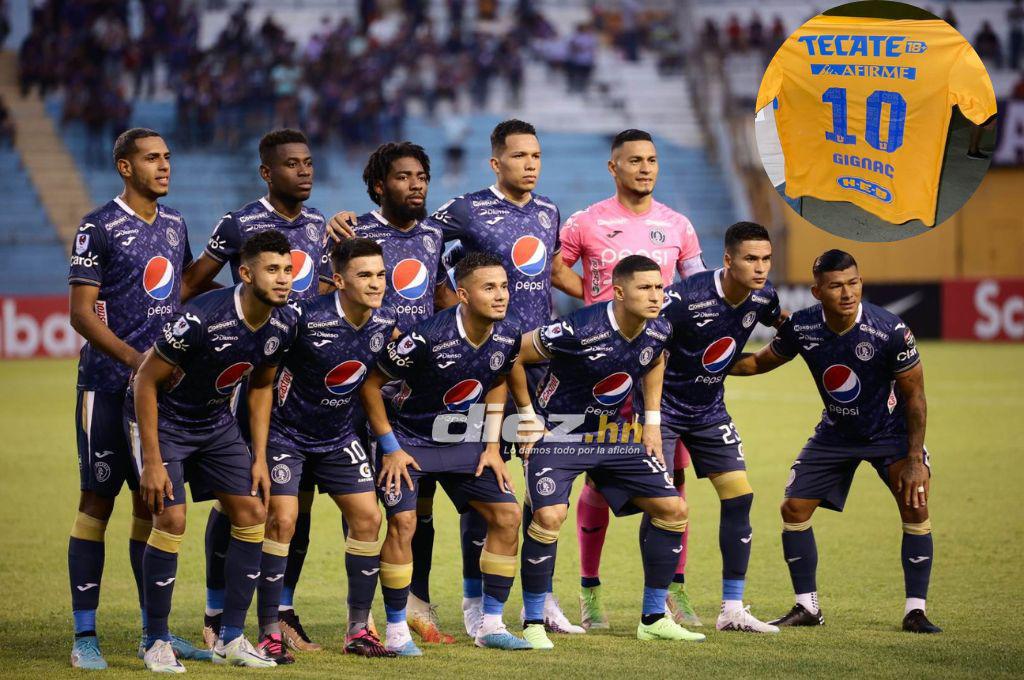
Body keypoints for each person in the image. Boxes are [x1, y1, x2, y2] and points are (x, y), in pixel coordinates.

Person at [329, 119, 582, 639]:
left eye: (422, 176)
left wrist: (469, 336)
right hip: (376, 383)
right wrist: (336, 222)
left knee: (487, 493)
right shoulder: (367, 234)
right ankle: (377, 615)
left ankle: (475, 606)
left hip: (457, 378)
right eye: (404, 177)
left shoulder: (432, 233)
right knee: (385, 506)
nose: (416, 184)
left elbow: (450, 292)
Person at [729, 250, 939, 633]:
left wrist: (913, 459)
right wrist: (708, 363)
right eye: (836, 285)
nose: (847, 293)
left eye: (853, 283)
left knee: (915, 504)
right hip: (836, 433)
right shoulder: (804, 327)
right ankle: (807, 607)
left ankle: (916, 610)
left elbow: (916, 398)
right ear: (817, 291)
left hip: (889, 434)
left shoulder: (890, 330)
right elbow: (759, 362)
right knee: (793, 509)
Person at [183, 128, 333, 652]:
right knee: (237, 499)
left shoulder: (319, 225)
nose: (305, 171)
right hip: (251, 377)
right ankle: (215, 611)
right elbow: (194, 283)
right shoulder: (239, 223)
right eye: (293, 164)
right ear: (268, 172)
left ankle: (281, 609)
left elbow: (326, 292)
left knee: (300, 501)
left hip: (304, 382)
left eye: (309, 162)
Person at [511, 255, 706, 649]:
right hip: (558, 433)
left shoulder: (659, 329)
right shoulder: (578, 328)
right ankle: (533, 621)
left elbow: (654, 361)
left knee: (674, 510)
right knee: (549, 515)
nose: (656, 296)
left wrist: (652, 422)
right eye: (645, 288)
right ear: (618, 292)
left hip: (611, 435)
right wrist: (528, 416)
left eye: (659, 287)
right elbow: (514, 353)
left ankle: (653, 618)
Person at [66, 127, 208, 669]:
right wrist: (137, 361)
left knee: (156, 507)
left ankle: (157, 634)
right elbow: (81, 314)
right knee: (96, 505)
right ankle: (85, 636)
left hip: (160, 397)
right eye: (152, 159)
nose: (164, 166)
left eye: (167, 157)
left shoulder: (174, 224)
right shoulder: (97, 226)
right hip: (105, 387)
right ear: (125, 167)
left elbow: (183, 288)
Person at [130, 230, 299, 672]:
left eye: (288, 269)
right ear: (245, 273)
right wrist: (151, 459)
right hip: (166, 422)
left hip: (215, 424)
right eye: (273, 270)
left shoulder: (284, 323)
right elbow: (144, 381)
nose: (284, 279)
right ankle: (155, 640)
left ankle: (231, 638)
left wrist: (258, 457)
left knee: (252, 514)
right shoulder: (201, 318)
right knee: (171, 517)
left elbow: (261, 386)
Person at [557, 128, 704, 628]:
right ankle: (590, 589)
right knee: (599, 477)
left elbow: (697, 288)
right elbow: (557, 269)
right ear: (613, 167)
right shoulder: (587, 221)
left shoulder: (678, 225)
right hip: (602, 371)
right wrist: (602, 308)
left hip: (660, 368)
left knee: (673, 478)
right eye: (635, 160)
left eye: (652, 160)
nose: (645, 168)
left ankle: (672, 593)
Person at [359, 252, 530, 654]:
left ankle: (491, 626)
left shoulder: (508, 334)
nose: (501, 295)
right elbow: (370, 386)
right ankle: (398, 630)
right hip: (409, 440)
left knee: (508, 516)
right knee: (403, 522)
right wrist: (391, 449)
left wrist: (491, 446)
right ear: (464, 295)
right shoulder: (425, 337)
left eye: (504, 286)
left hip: (463, 440)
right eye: (490, 288)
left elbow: (497, 378)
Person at [635, 222, 784, 633]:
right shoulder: (684, 299)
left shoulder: (764, 297)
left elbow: (780, 328)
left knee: (739, 497)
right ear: (728, 260)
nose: (760, 268)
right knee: (664, 506)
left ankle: (732, 609)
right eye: (751, 259)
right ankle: (654, 611)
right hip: (661, 409)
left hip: (708, 410)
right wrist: (650, 419)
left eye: (766, 259)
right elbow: (649, 355)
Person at [259, 238, 398, 661]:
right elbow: (261, 381)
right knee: (283, 520)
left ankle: (358, 628)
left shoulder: (384, 323)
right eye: (364, 276)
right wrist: (256, 449)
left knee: (369, 517)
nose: (376, 284)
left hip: (338, 437)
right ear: (338, 281)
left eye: (380, 274)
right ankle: (268, 630)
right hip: (287, 435)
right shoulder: (299, 319)